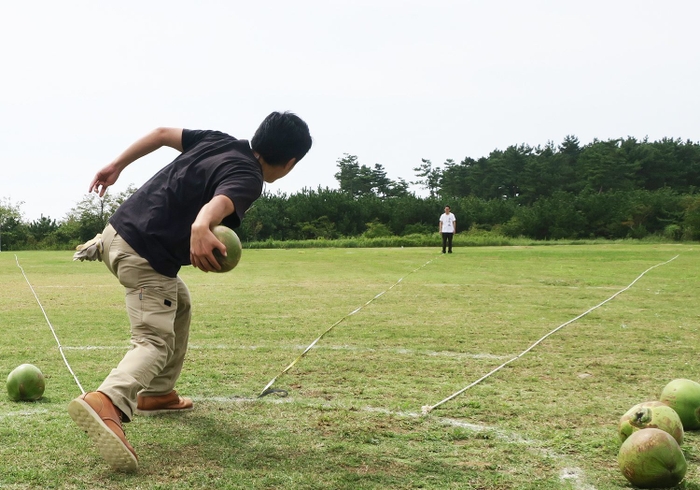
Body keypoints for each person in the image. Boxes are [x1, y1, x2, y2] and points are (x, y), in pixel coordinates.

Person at [68, 111, 312, 472]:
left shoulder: (219, 140)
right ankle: (108, 400)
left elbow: (162, 132)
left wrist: (116, 164)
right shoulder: (249, 176)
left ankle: (157, 393)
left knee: (178, 301)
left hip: (116, 233)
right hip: (143, 253)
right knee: (154, 342)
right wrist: (202, 222)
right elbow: (222, 202)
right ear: (290, 163)